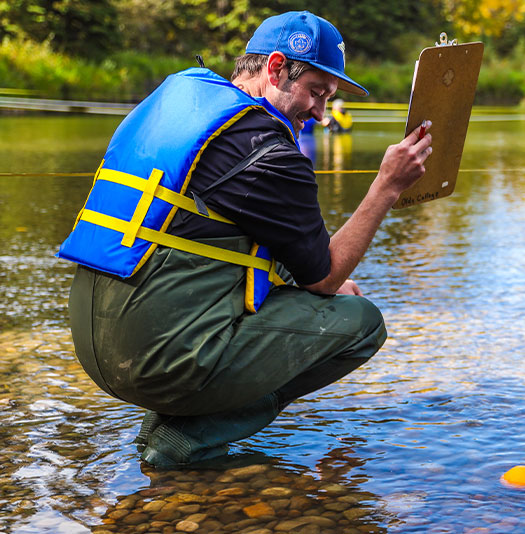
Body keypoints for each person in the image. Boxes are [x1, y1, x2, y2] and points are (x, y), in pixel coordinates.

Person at [57, 10, 432, 468]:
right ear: (275, 68)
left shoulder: (183, 106)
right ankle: (187, 437)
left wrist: (309, 290)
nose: (322, 114)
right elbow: (327, 278)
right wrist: (387, 186)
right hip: (150, 358)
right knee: (360, 323)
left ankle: (172, 418)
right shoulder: (267, 152)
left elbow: (212, 237)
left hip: (93, 344)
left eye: (328, 99)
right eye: (317, 93)